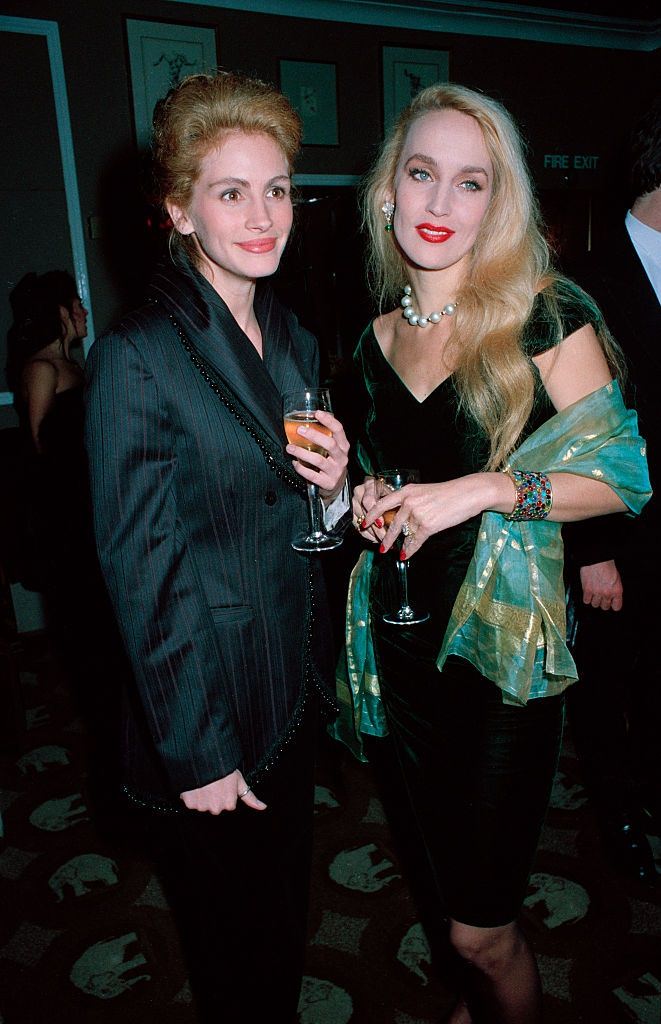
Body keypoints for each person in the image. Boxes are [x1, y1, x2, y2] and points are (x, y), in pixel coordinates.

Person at [337, 84, 651, 1024]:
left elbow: (624, 478)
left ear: (497, 200)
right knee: (447, 897)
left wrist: (484, 488)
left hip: (504, 665)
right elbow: (392, 480)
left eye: (469, 183)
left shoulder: (542, 314)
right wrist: (366, 498)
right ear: (385, 191)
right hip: (401, 650)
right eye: (421, 175)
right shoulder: (373, 339)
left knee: (482, 928)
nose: (440, 205)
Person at [84, 71, 349, 1022]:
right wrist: (196, 753)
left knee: (283, 923)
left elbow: (310, 526)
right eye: (230, 191)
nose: (263, 214)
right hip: (208, 709)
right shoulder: (138, 354)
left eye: (276, 189)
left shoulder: (294, 338)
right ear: (178, 210)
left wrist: (339, 492)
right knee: (235, 950)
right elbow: (140, 571)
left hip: (290, 687)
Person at [565, 99, 661, 883]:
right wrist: (592, 553)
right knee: (608, 679)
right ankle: (616, 808)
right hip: (618, 536)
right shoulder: (583, 283)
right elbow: (567, 435)